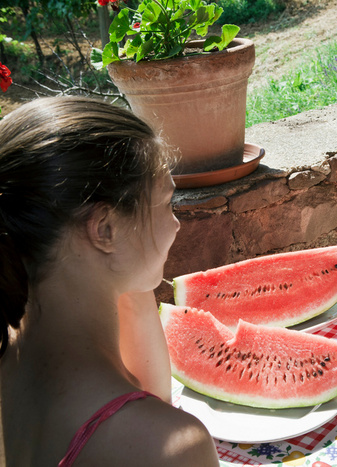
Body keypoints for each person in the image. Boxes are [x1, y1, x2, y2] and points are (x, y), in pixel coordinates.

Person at [0, 96, 220, 466]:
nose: (176, 224)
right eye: (167, 203)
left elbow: (144, 396)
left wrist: (125, 264)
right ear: (105, 229)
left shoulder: (11, 355)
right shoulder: (170, 446)